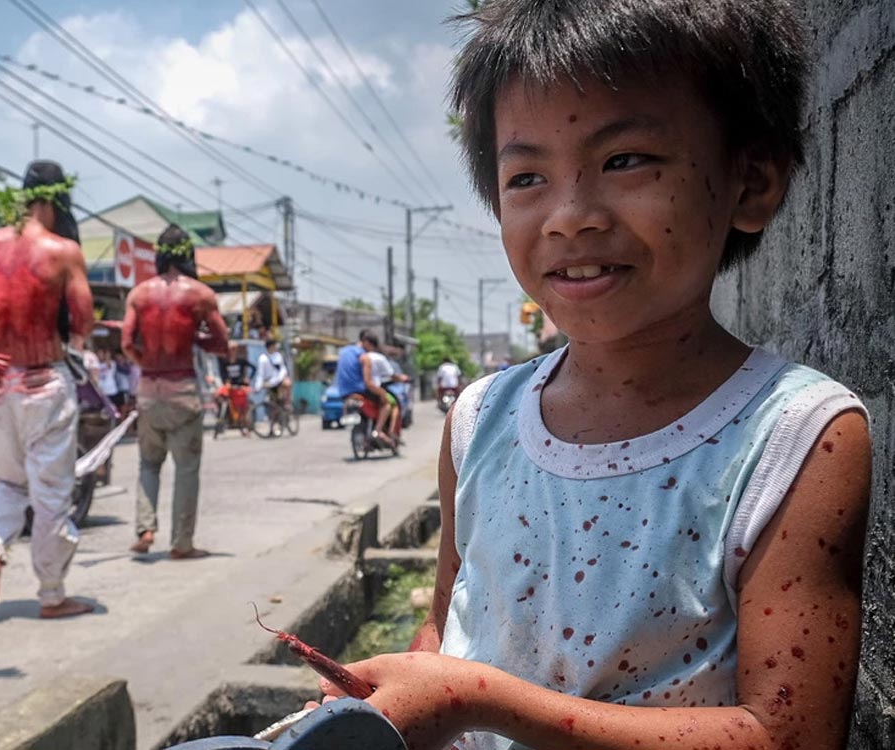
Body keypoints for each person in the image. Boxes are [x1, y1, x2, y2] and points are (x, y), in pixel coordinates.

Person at [313, 2, 871, 749]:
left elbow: (790, 734)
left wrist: (477, 697)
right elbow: (450, 621)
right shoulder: (480, 419)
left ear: (752, 183)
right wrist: (397, 690)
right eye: (527, 177)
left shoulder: (798, 437)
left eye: (625, 160)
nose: (568, 215)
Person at [0, 160, 95, 621]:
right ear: (59, 198)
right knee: (52, 494)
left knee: (7, 480)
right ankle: (52, 594)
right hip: (43, 381)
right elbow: (83, 321)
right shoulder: (61, 251)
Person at [122, 224, 228, 558]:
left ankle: (145, 528)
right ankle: (182, 544)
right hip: (183, 388)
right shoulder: (200, 295)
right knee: (186, 470)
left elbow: (126, 343)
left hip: (149, 389)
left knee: (148, 464)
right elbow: (223, 344)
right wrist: (196, 339)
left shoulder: (139, 294)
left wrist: (146, 364)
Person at [335, 330, 395, 448]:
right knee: (387, 403)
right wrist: (382, 393)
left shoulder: (343, 352)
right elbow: (368, 383)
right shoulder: (364, 357)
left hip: (344, 393)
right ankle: (377, 431)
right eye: (372, 347)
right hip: (360, 391)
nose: (371, 351)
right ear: (367, 343)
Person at [364, 347, 404, 440]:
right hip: (375, 389)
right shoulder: (380, 358)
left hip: (363, 390)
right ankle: (386, 431)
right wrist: (401, 378)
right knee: (392, 404)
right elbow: (392, 375)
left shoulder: (362, 356)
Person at [213, 342, 256, 426]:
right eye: (230, 350)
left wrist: (248, 378)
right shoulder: (224, 362)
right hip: (230, 385)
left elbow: (253, 368)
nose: (232, 351)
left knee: (244, 402)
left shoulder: (241, 361)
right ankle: (223, 417)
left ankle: (245, 421)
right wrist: (226, 381)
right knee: (219, 396)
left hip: (240, 385)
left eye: (234, 349)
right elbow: (222, 374)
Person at [254, 338, 293, 412]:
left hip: (279, 380)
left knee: (288, 383)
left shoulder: (278, 356)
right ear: (269, 347)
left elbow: (282, 369)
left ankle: (287, 404)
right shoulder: (263, 359)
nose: (275, 347)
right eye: (274, 346)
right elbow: (260, 374)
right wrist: (258, 387)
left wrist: (280, 378)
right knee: (273, 403)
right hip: (269, 382)